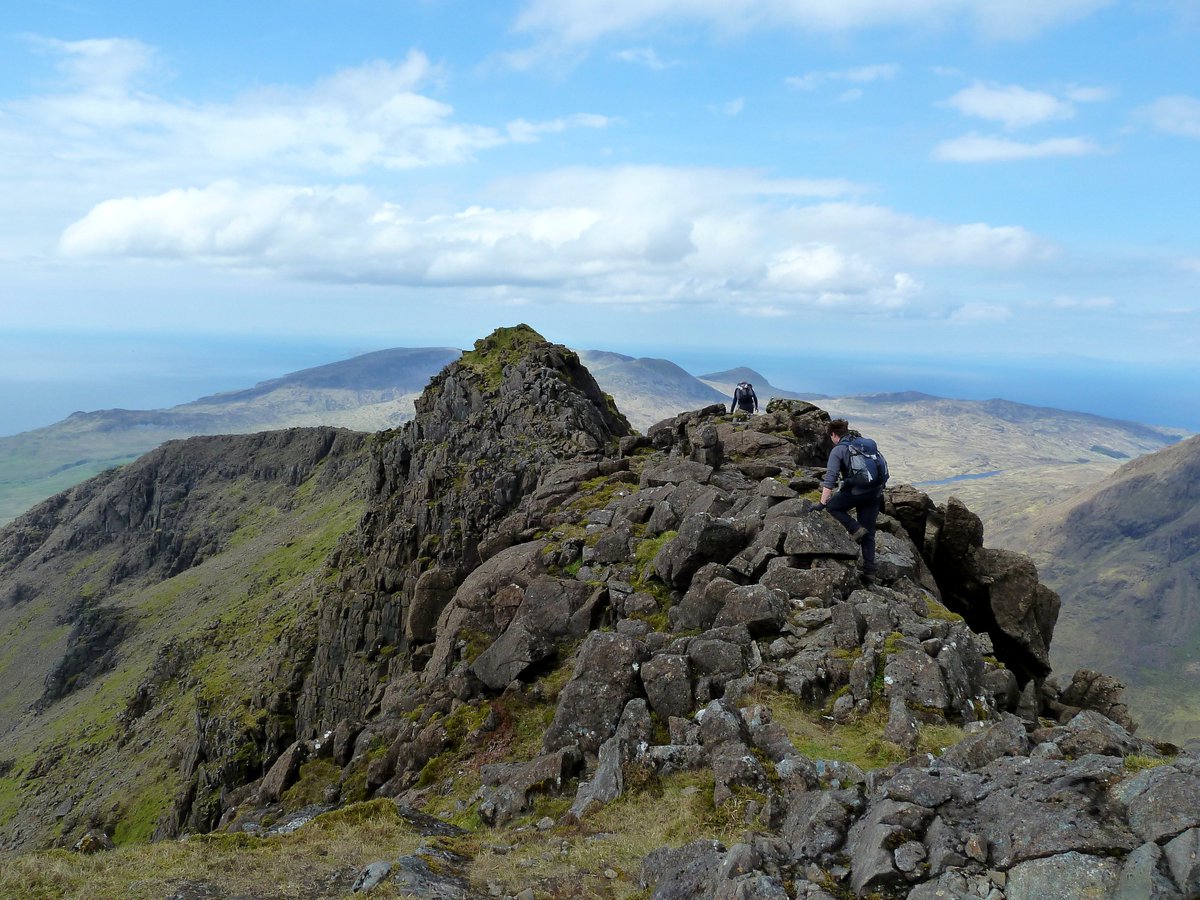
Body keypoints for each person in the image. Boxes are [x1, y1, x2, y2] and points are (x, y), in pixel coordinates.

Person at [814, 418, 888, 585]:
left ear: (833, 434)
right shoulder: (861, 445)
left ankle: (855, 528)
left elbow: (830, 479)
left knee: (833, 506)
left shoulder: (838, 450)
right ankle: (870, 573)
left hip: (856, 492)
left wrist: (821, 503)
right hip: (875, 492)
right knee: (870, 532)